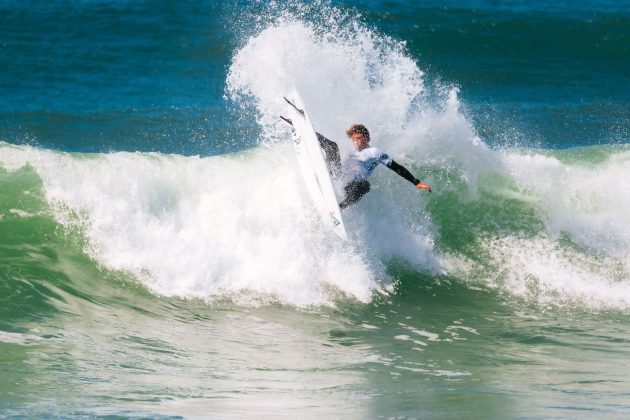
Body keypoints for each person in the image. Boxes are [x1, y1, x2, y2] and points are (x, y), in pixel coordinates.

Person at [317, 124, 431, 209]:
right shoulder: (351, 149)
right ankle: (306, 132)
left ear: (367, 137)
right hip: (337, 177)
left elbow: (397, 167)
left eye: (361, 137)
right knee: (332, 146)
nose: (358, 141)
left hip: (350, 187)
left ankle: (340, 206)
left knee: (365, 186)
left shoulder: (375, 152)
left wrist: (416, 182)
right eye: (355, 138)